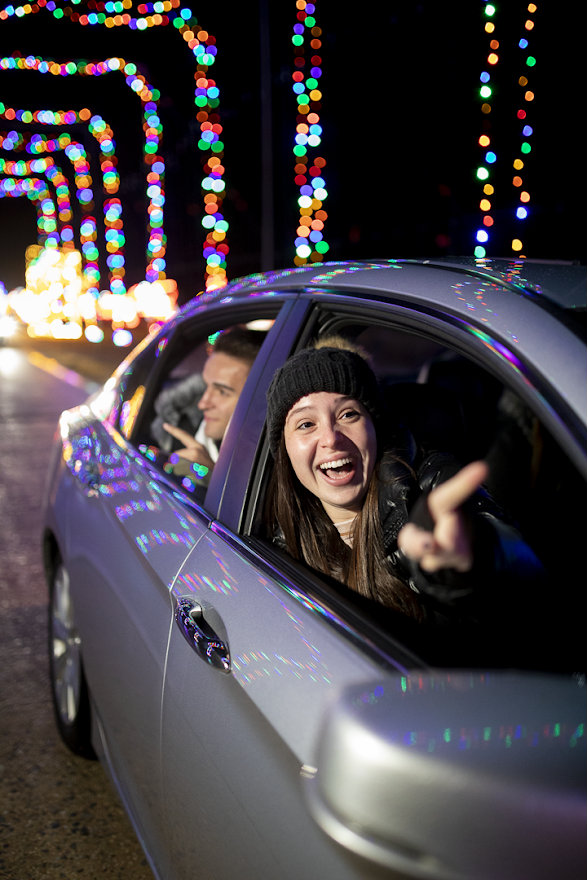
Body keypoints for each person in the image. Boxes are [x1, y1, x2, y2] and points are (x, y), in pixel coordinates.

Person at [264, 342, 544, 655]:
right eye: (306, 424)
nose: (331, 437)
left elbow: (527, 578)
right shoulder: (280, 540)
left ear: (375, 428)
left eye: (348, 414)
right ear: (285, 451)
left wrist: (474, 557)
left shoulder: (430, 482)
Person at [151, 326, 267, 477]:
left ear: (264, 401)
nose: (202, 404)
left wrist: (211, 478)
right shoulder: (178, 441)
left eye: (222, 392)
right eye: (205, 386)